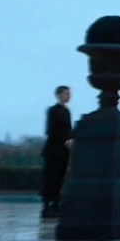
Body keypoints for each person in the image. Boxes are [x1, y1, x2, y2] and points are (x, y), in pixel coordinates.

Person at [41, 85, 74, 218]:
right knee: (51, 177)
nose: (68, 96)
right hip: (53, 149)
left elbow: (69, 129)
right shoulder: (53, 111)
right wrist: (64, 140)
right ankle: (47, 205)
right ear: (58, 95)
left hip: (63, 150)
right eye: (66, 94)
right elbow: (50, 130)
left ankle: (56, 203)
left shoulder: (67, 111)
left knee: (60, 177)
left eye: (69, 94)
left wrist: (70, 140)